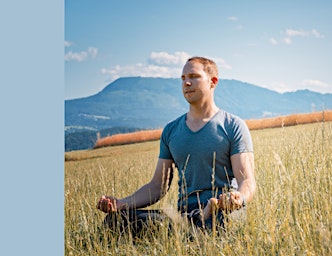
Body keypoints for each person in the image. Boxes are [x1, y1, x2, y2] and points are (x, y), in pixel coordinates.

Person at [97, 56, 256, 234]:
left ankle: (201, 221)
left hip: (223, 211)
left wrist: (238, 198)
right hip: (184, 215)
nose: (186, 83)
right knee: (115, 220)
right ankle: (195, 223)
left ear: (213, 82)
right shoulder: (171, 131)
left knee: (220, 221)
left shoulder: (233, 125)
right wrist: (120, 204)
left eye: (194, 76)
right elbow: (158, 186)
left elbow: (247, 181)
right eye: (183, 78)